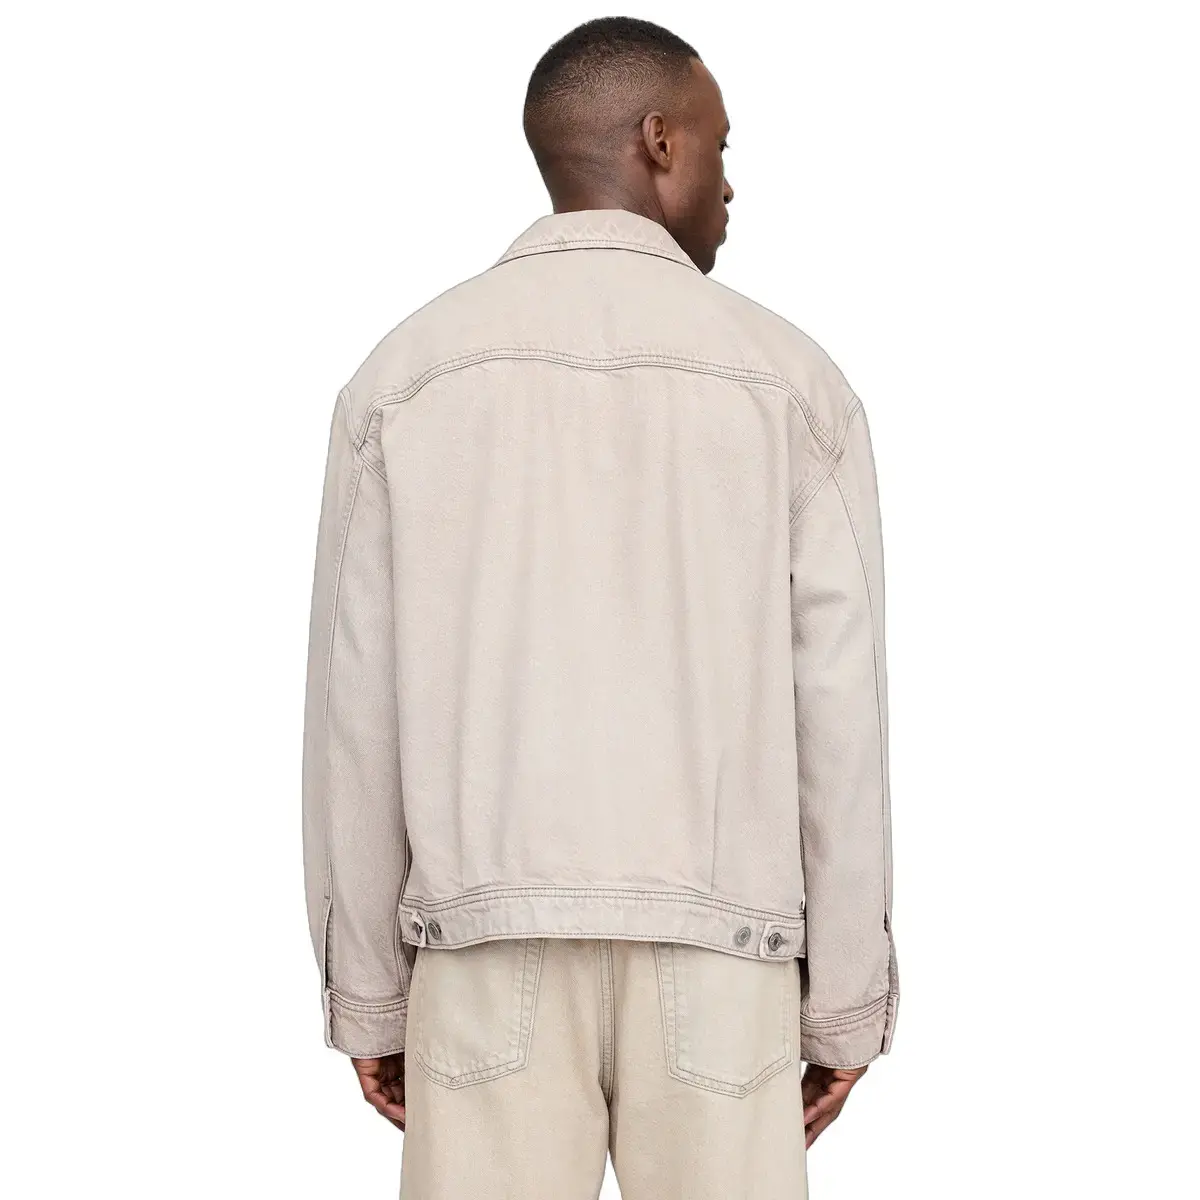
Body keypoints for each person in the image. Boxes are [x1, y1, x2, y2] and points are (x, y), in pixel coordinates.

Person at [301, 15, 898, 1198]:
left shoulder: (406, 376)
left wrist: (368, 991)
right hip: (727, 962)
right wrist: (845, 1004)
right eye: (722, 147)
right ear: (659, 141)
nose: (731, 184)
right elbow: (840, 712)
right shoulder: (791, 382)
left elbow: (353, 711)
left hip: (484, 952)